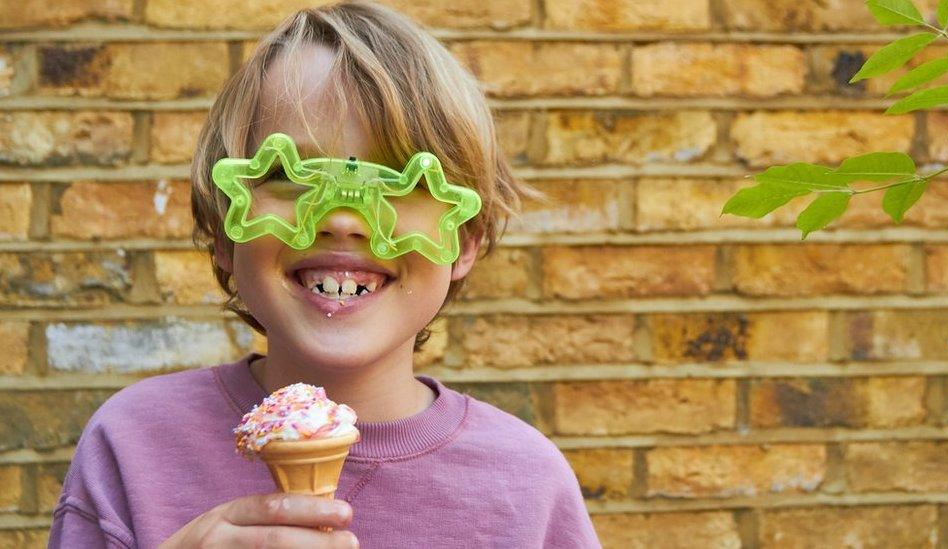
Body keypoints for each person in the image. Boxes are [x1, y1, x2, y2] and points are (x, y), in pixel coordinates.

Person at [48, 2, 601, 548]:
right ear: (223, 229)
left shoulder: (527, 486)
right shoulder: (132, 442)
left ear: (465, 242)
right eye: (291, 175)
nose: (342, 220)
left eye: (404, 182)